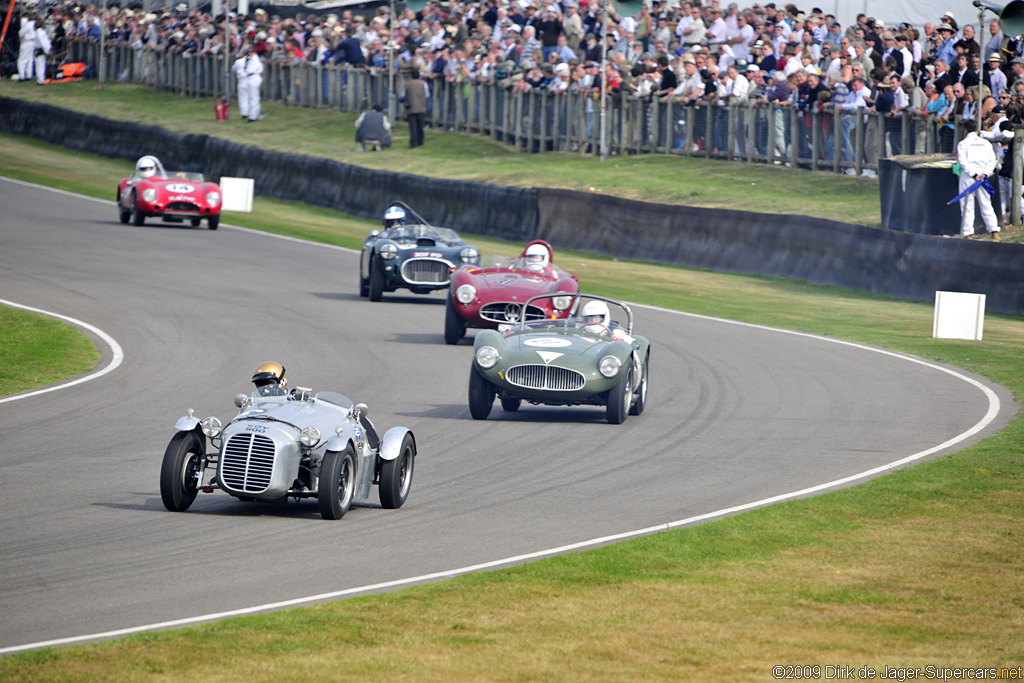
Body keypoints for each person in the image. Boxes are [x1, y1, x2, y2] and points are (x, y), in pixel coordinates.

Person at [955, 119, 1000, 240]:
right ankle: (994, 230)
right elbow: (992, 160)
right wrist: (984, 174)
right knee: (986, 204)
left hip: (969, 177)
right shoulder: (986, 143)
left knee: (967, 206)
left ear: (965, 130)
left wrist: (974, 174)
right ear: (976, 129)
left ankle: (968, 233)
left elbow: (963, 162)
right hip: (983, 178)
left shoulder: (962, 144)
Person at [405, 67, 428, 148]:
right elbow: (427, 95)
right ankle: (420, 141)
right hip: (421, 107)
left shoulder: (408, 84)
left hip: (411, 107)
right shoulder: (423, 84)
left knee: (412, 127)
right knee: (420, 126)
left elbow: (404, 95)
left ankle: (413, 143)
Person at [242, 49, 264, 122]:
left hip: (253, 77)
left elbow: (250, 70)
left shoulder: (255, 59)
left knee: (253, 98)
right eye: (249, 52)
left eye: (252, 51)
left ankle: (252, 116)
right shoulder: (251, 59)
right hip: (251, 77)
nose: (250, 53)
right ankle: (256, 114)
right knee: (254, 97)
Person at [233, 46, 250, 121]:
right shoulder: (252, 60)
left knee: (243, 98)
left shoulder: (238, 61)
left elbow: (233, 69)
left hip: (242, 81)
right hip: (250, 80)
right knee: (250, 97)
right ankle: (251, 112)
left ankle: (244, 114)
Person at [33, 19, 52, 85]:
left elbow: (43, 42)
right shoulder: (42, 32)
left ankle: (40, 81)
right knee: (41, 65)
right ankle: (40, 79)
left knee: (39, 65)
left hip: (40, 50)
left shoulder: (39, 33)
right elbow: (47, 42)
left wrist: (46, 51)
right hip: (41, 50)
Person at [18, 15, 36, 82]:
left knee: (22, 59)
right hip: (32, 42)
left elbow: (21, 33)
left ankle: (21, 76)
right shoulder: (34, 24)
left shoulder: (27, 24)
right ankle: (29, 75)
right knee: (30, 59)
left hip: (26, 41)